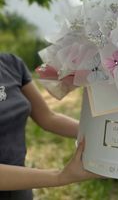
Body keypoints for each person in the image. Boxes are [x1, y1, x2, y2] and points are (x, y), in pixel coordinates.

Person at [0, 53, 98, 199]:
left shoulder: (10, 63)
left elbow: (48, 118)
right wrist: (59, 176)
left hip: (21, 185)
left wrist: (98, 134)